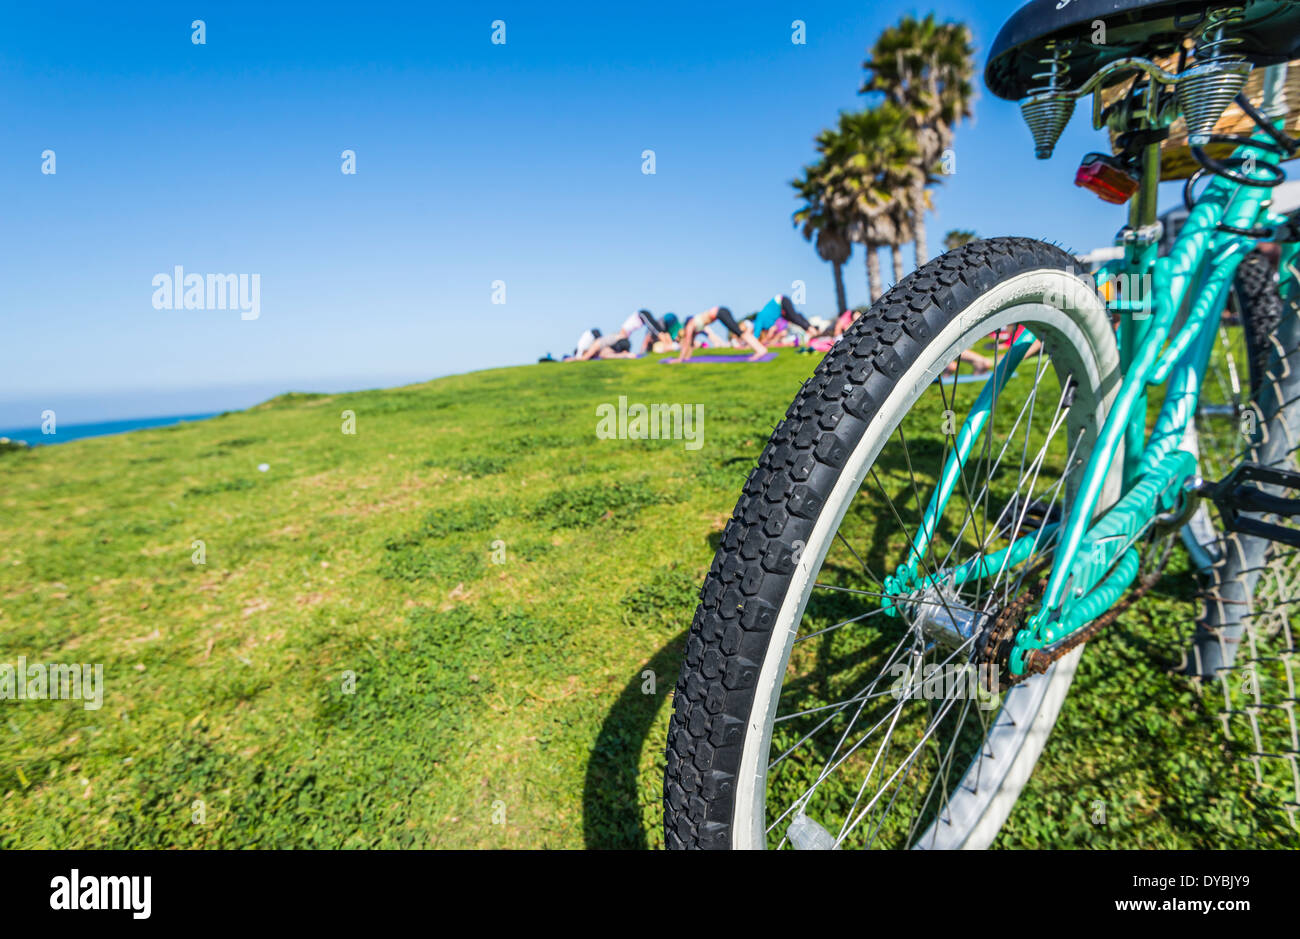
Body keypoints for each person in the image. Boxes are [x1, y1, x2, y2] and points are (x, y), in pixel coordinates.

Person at [675, 306, 767, 362]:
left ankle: (760, 350)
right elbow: (690, 343)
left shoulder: (690, 325)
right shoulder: (694, 325)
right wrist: (686, 358)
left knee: (739, 333)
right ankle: (759, 349)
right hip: (721, 311)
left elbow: (687, 341)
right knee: (739, 332)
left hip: (720, 312)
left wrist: (680, 359)